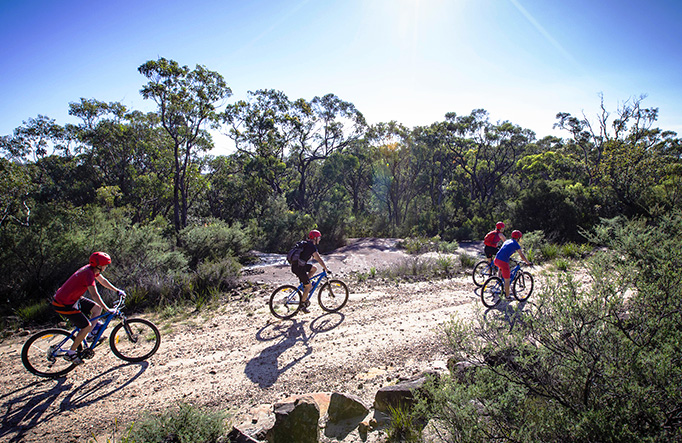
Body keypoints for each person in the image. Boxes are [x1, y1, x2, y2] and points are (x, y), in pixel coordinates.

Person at [50, 252, 126, 364]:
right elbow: (94, 295)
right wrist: (108, 309)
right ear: (99, 265)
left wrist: (117, 290)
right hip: (63, 304)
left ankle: (91, 335)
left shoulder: (91, 269)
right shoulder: (88, 274)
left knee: (96, 308)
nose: (106, 267)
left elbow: (103, 281)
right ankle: (71, 353)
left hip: (71, 299)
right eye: (105, 264)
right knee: (86, 326)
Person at [291, 230, 329, 313]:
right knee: (308, 286)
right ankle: (302, 305)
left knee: (313, 269)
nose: (319, 239)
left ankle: (304, 286)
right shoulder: (312, 247)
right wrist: (326, 268)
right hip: (299, 268)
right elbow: (318, 259)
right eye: (318, 237)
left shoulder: (306, 243)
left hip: (297, 266)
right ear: (315, 238)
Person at [494, 230, 532, 299]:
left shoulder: (507, 241)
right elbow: (522, 256)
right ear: (518, 238)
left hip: (496, 259)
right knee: (507, 280)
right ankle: (507, 296)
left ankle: (498, 281)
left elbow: (504, 250)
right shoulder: (516, 244)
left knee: (501, 268)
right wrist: (528, 262)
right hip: (503, 261)